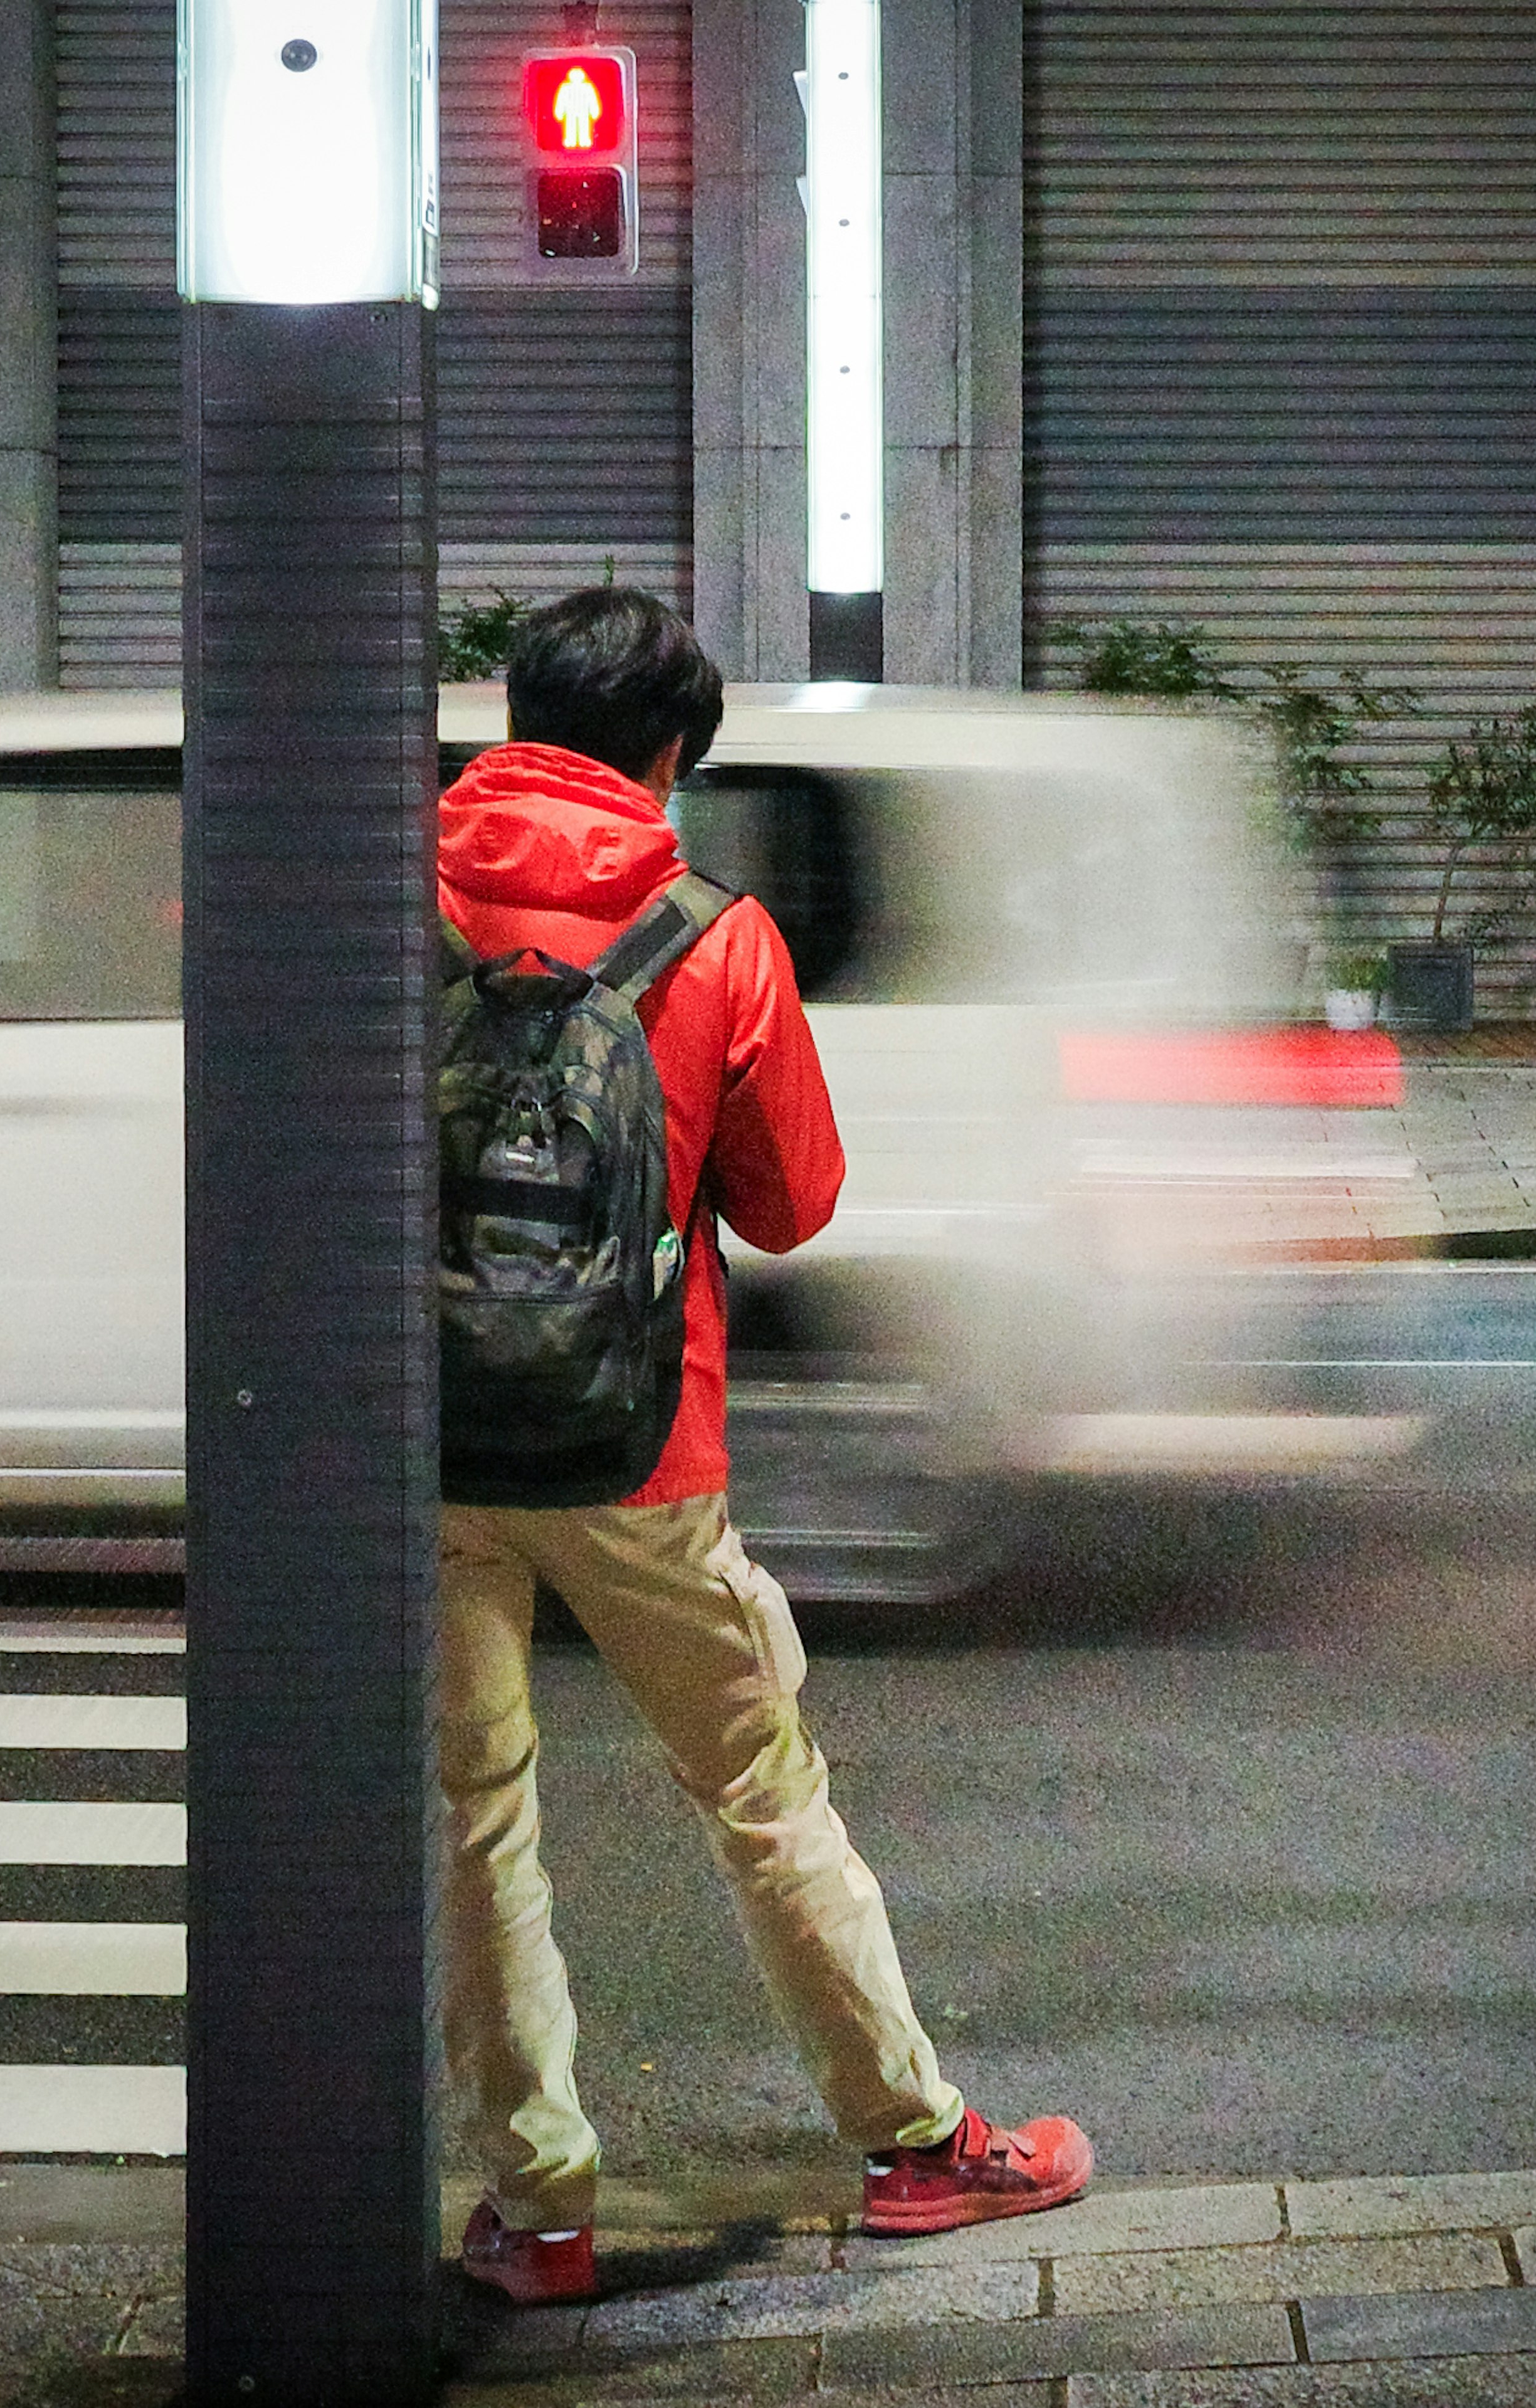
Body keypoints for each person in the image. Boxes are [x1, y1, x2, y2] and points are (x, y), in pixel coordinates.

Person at [438, 587, 1092, 2305]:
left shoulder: (391, 909)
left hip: (426, 1440)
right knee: (760, 1795)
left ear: (516, 719)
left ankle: (540, 2205)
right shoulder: (713, 937)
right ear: (671, 756)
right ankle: (916, 2145)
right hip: (641, 1447)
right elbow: (796, 1208)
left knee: (479, 1819)